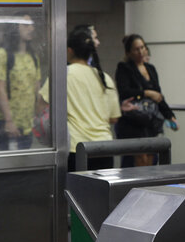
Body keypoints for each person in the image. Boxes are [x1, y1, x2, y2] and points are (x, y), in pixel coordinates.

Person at [41, 27, 124, 171]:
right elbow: (114, 118)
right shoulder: (104, 78)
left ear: (70, 51)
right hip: (104, 148)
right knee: (101, 192)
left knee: (76, 192)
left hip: (75, 147)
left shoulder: (62, 74)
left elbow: (41, 106)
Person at [114, 34, 177, 167]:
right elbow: (124, 91)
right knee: (136, 161)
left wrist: (169, 115)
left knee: (151, 158)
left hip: (149, 122)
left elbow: (159, 95)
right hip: (133, 121)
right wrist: (146, 93)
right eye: (136, 49)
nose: (141, 51)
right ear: (129, 52)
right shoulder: (124, 68)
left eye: (142, 47)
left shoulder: (151, 69)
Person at [0, 17, 42, 150]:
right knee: (7, 165)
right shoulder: (2, 54)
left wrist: (38, 116)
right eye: (25, 25)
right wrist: (9, 121)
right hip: (6, 122)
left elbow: (37, 88)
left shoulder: (33, 56)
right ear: (14, 28)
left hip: (27, 124)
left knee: (23, 165)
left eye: (31, 25)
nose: (31, 29)